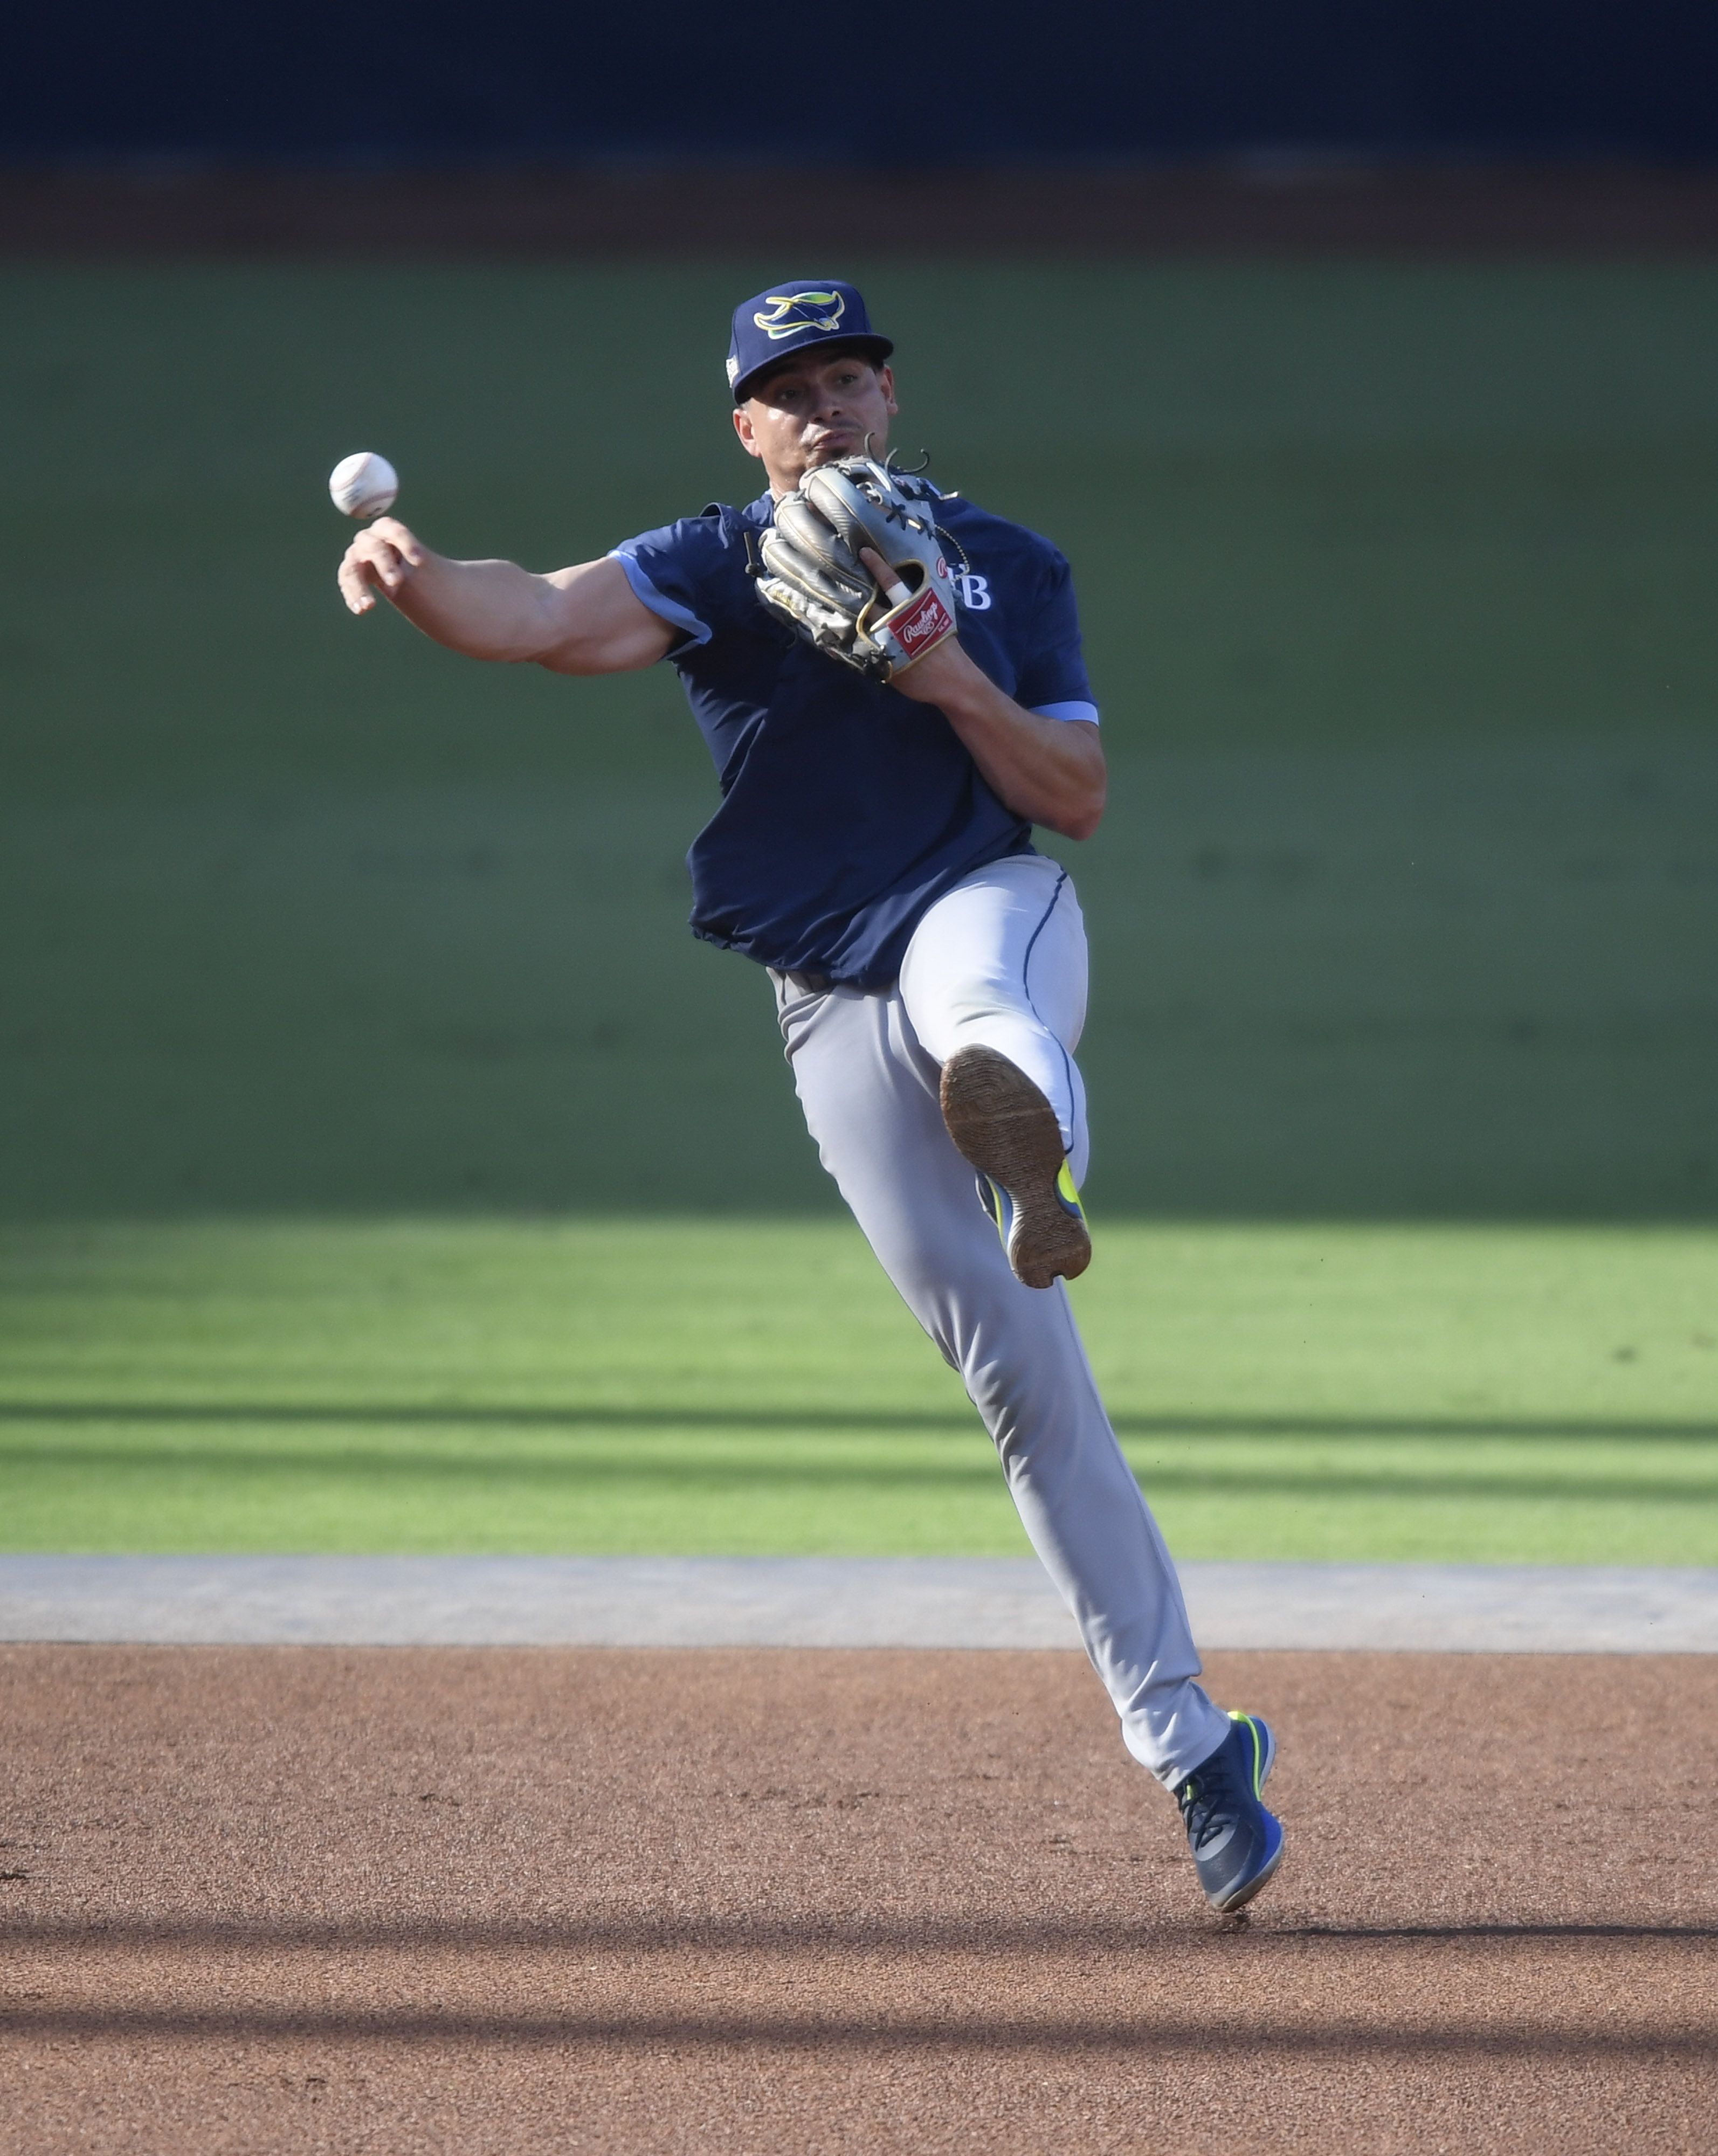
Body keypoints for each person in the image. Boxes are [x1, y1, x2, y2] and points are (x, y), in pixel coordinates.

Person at [336, 278, 1284, 1914]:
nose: (829, 404)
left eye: (853, 375)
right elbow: (545, 616)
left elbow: (1075, 795)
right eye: (793, 387)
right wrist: (416, 579)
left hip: (993, 900)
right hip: (820, 995)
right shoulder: (716, 560)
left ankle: (1028, 1147)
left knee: (976, 995)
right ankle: (1198, 1751)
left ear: (890, 402)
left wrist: (947, 674)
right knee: (1018, 1385)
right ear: (747, 427)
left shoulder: (1007, 562)